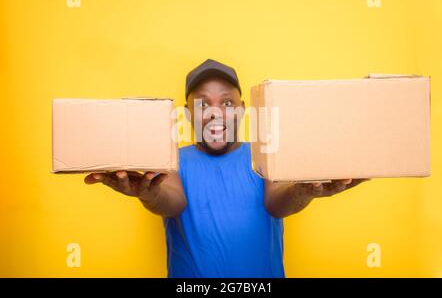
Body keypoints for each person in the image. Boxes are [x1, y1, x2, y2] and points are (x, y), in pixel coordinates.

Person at [84, 59, 369, 277]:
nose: (215, 112)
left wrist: (304, 190)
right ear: (187, 115)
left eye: (227, 102)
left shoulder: (264, 155)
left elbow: (277, 203)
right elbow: (171, 201)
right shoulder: (170, 160)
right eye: (202, 104)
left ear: (243, 110)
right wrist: (148, 194)